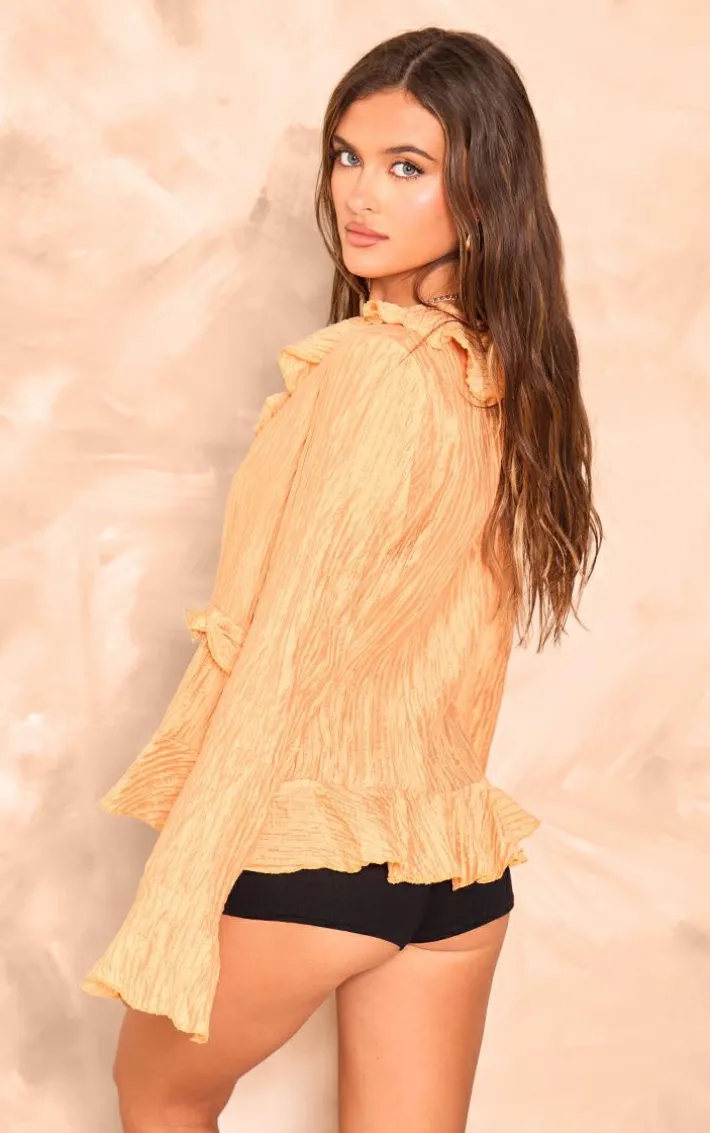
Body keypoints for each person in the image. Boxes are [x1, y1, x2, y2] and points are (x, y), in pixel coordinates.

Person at [82, 26, 602, 1133]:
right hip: (453, 864)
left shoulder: (372, 370)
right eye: (347, 156)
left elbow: (285, 648)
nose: (360, 193)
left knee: (159, 1097)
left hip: (318, 854)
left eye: (407, 166)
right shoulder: (503, 372)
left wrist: (182, 889)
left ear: (483, 187)